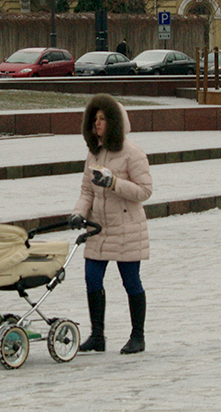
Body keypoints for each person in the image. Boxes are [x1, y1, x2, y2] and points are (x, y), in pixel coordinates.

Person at [69, 93, 153, 354]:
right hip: (99, 228)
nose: (98, 124)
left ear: (114, 122)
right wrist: (78, 213)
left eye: (103, 119)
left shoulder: (132, 153)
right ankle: (97, 335)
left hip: (126, 228)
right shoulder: (93, 154)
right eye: (94, 119)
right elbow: (86, 191)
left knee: (131, 282)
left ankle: (137, 336)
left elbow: (145, 191)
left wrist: (115, 183)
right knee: (92, 279)